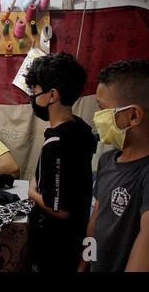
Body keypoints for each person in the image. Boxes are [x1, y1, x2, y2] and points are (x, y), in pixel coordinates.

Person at [79, 60, 149, 272]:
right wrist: (84, 264)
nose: (97, 117)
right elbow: (95, 221)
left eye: (102, 109)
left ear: (133, 115)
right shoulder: (107, 161)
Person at [25, 52, 97, 272]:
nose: (33, 98)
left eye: (35, 92)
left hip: (57, 249)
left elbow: (61, 209)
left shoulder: (58, 143)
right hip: (75, 239)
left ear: (52, 95)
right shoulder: (81, 128)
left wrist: (32, 192)